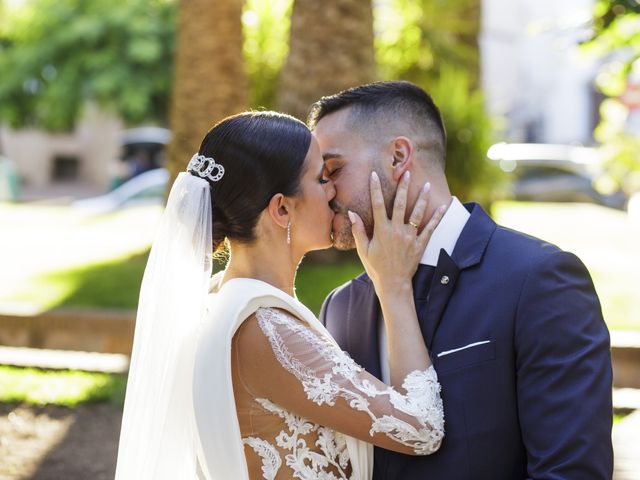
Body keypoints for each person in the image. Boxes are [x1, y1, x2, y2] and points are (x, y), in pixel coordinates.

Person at [114, 111, 449, 480]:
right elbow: (421, 428)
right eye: (322, 178)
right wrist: (393, 286)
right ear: (282, 208)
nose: (334, 192)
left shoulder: (216, 301)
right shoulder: (267, 330)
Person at [310, 81, 613, 479]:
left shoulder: (539, 280)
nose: (325, 191)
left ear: (398, 156)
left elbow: (572, 471)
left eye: (333, 170)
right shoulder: (341, 306)